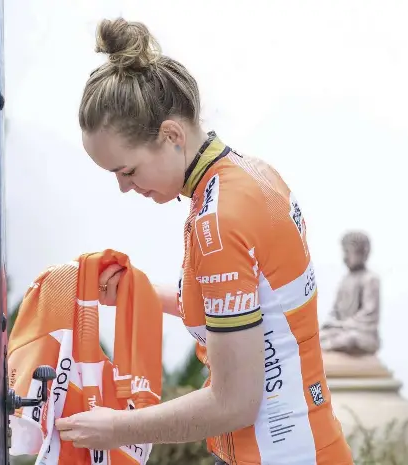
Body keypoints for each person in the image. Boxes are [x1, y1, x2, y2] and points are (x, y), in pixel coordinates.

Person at [54, 18, 353, 465]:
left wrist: (115, 428)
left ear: (171, 135)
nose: (124, 189)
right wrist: (139, 294)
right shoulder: (246, 177)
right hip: (299, 445)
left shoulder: (220, 218)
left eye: (128, 171)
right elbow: (249, 310)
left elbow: (233, 403)